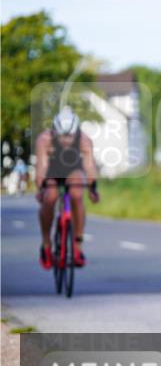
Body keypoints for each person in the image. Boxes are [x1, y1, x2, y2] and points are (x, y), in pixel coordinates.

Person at [35, 107, 100, 269]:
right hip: (52, 169)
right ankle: (46, 243)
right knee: (50, 197)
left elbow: (89, 166)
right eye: (62, 136)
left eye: (69, 136)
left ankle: (78, 245)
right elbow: (42, 168)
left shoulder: (84, 140)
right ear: (55, 131)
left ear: (76, 132)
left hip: (73, 169)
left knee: (77, 194)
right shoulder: (44, 139)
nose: (65, 140)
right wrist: (40, 188)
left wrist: (92, 188)